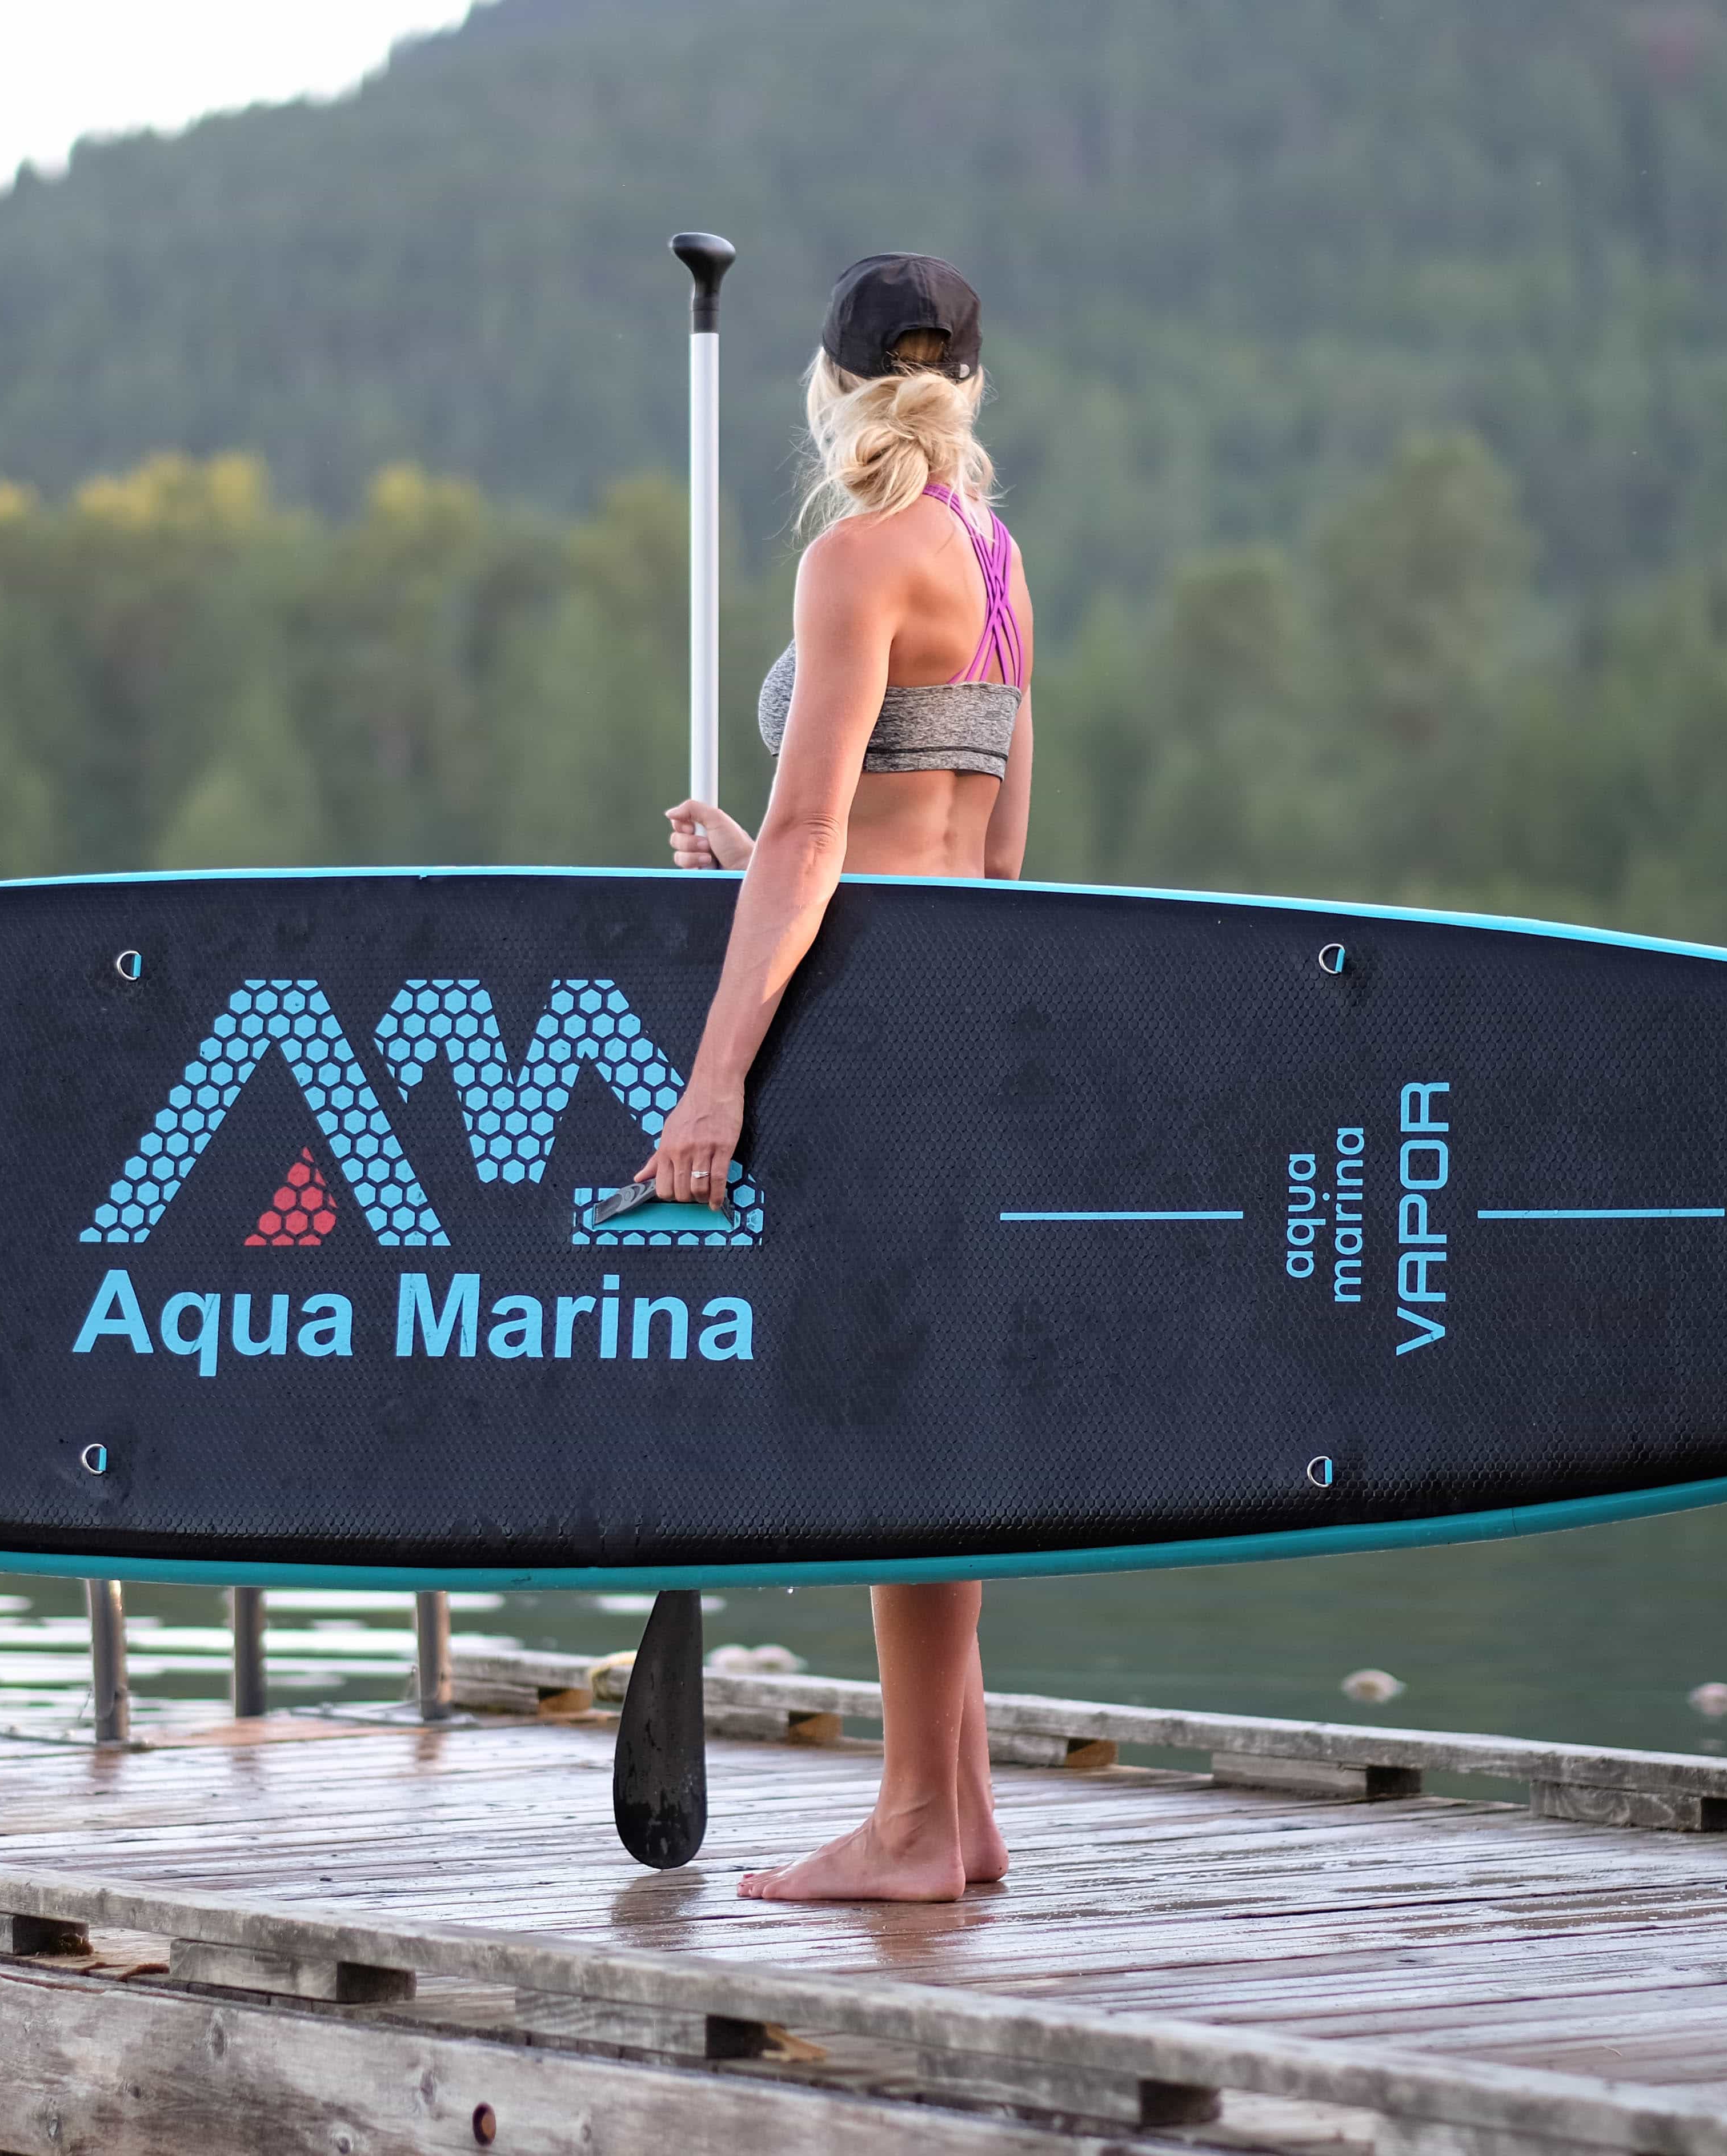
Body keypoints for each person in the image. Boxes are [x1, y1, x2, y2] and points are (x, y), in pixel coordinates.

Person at [638, 252, 1035, 1904]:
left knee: (894, 1419)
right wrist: (756, 869)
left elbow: (817, 832)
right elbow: (991, 846)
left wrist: (715, 1079)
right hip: (957, 1014)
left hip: (869, 1041)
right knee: (928, 1406)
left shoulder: (856, 559)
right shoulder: (999, 562)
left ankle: (914, 1831)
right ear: (969, 383)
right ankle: (965, 1811)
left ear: (831, 385)